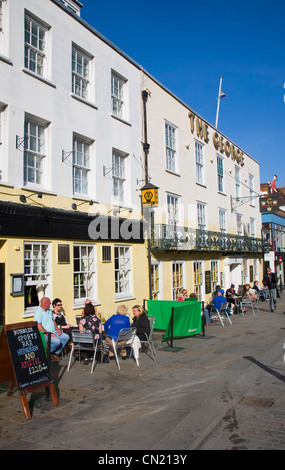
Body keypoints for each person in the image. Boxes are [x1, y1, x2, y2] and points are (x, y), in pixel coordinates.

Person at [34, 296, 70, 361]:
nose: (50, 304)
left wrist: (57, 329)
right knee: (57, 341)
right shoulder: (38, 312)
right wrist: (48, 333)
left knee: (66, 337)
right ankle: (48, 353)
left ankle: (54, 353)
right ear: (45, 304)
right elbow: (38, 325)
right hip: (45, 334)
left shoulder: (49, 311)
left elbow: (53, 321)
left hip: (54, 331)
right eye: (49, 303)